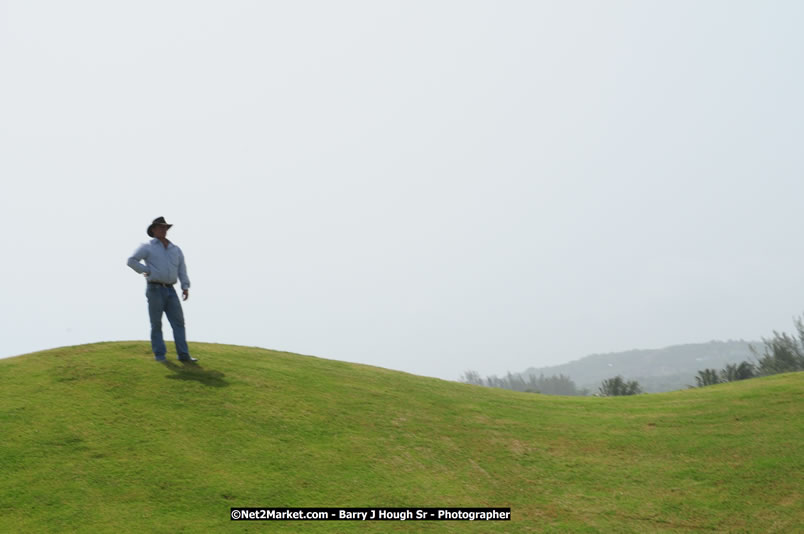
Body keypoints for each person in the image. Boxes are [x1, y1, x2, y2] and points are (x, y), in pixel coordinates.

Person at [127, 216, 197, 362]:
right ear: (153, 230)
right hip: (154, 289)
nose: (163, 230)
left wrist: (185, 287)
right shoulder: (147, 247)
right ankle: (160, 355)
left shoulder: (175, 249)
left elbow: (182, 269)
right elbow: (131, 261)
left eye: (165, 227)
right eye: (160, 227)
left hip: (171, 290)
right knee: (156, 323)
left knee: (178, 322)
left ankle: (183, 355)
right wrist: (145, 270)